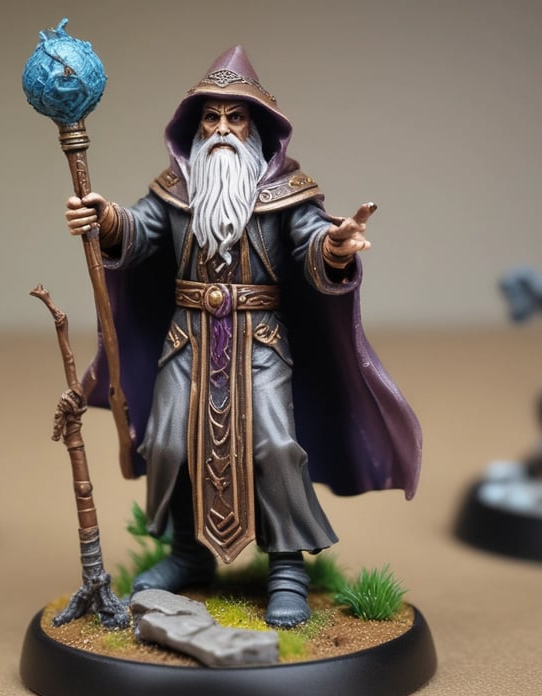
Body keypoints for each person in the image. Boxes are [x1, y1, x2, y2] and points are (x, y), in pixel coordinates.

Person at [65, 47, 422, 627]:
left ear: (256, 128)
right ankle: (189, 553)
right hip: (187, 339)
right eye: (212, 118)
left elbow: (313, 243)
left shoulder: (287, 191)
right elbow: (136, 232)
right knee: (169, 443)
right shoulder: (175, 190)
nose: (223, 129)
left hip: (260, 342)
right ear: (195, 127)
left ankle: (286, 568)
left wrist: (335, 248)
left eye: (236, 117)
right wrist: (105, 217)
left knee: (275, 447)